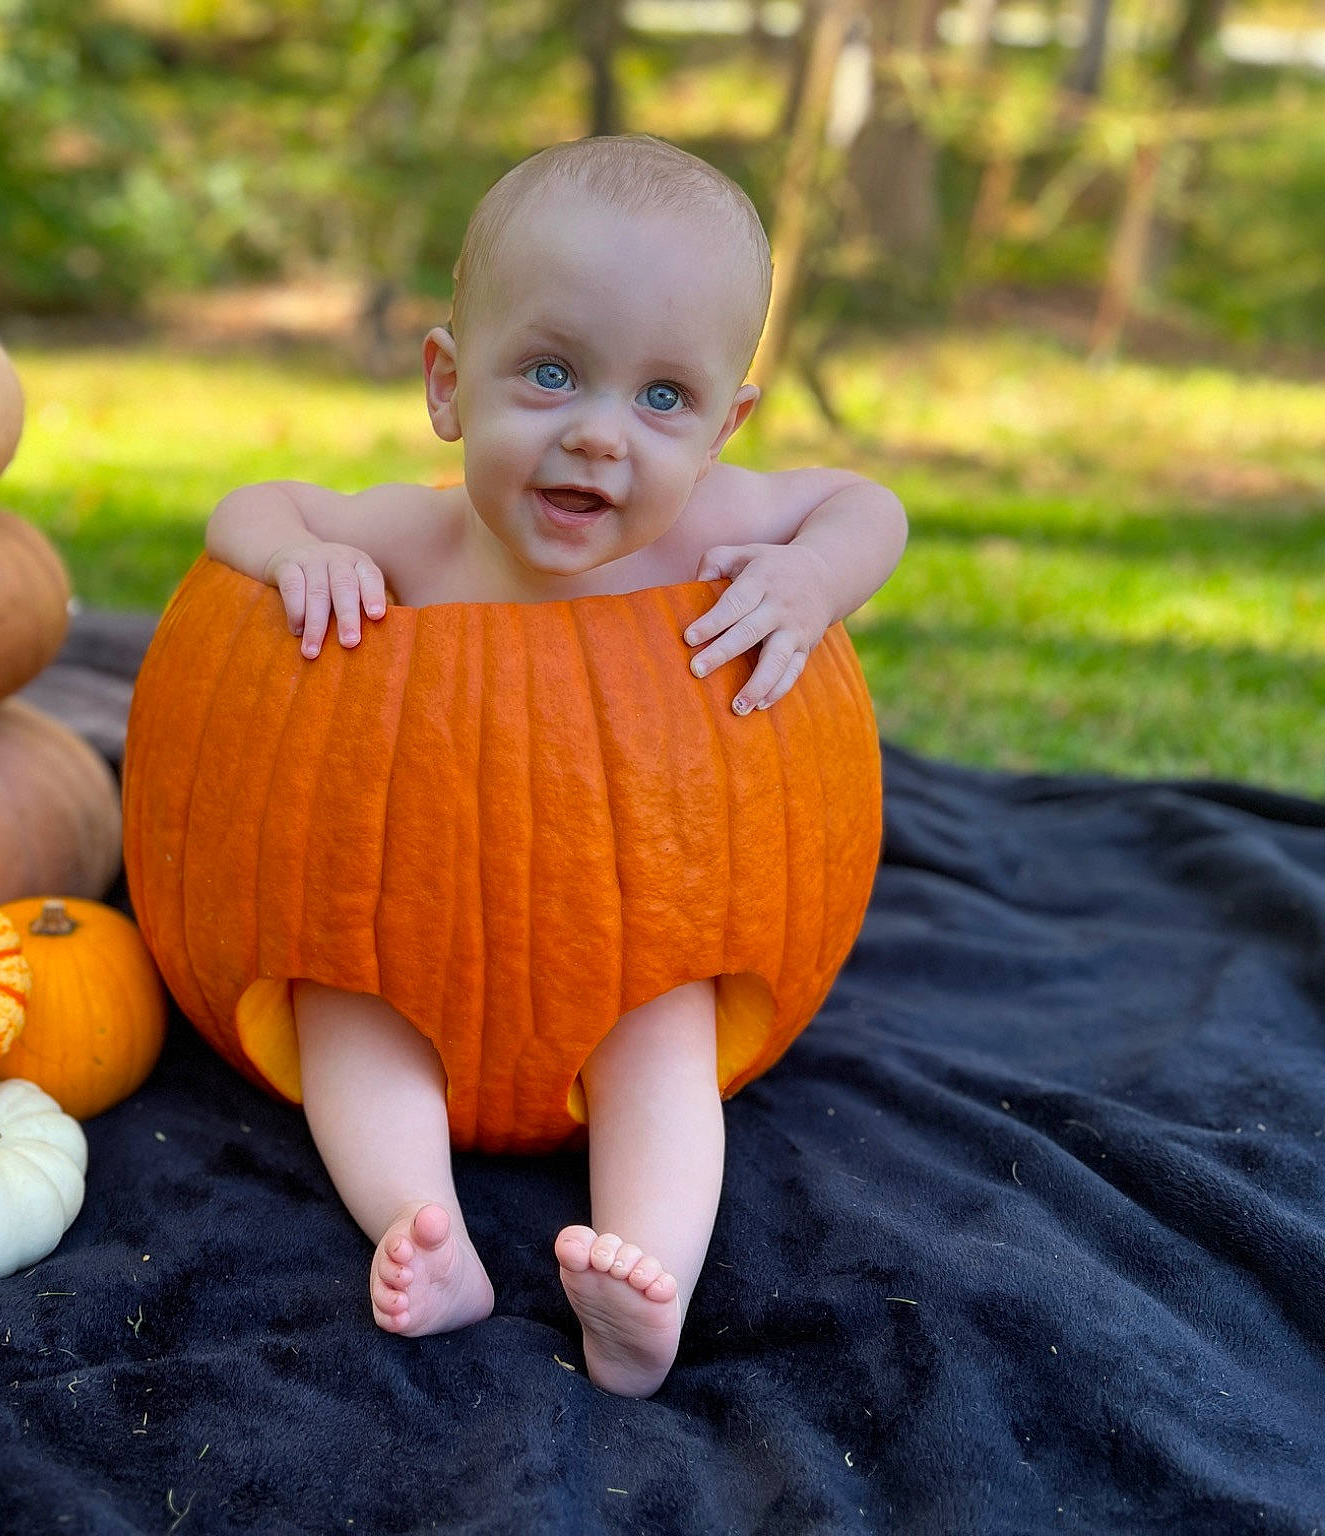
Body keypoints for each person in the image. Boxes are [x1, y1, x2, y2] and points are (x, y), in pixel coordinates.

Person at [200, 134, 907, 1398]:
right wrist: (292, 558)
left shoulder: (709, 522)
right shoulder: (414, 535)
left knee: (664, 1036)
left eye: (659, 399)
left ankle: (649, 1282)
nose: (598, 438)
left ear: (723, 425)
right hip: (397, 922)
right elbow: (250, 506)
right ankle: (421, 1229)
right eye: (548, 374)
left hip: (638, 926)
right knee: (338, 1009)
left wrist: (809, 578)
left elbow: (867, 507)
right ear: (444, 384)